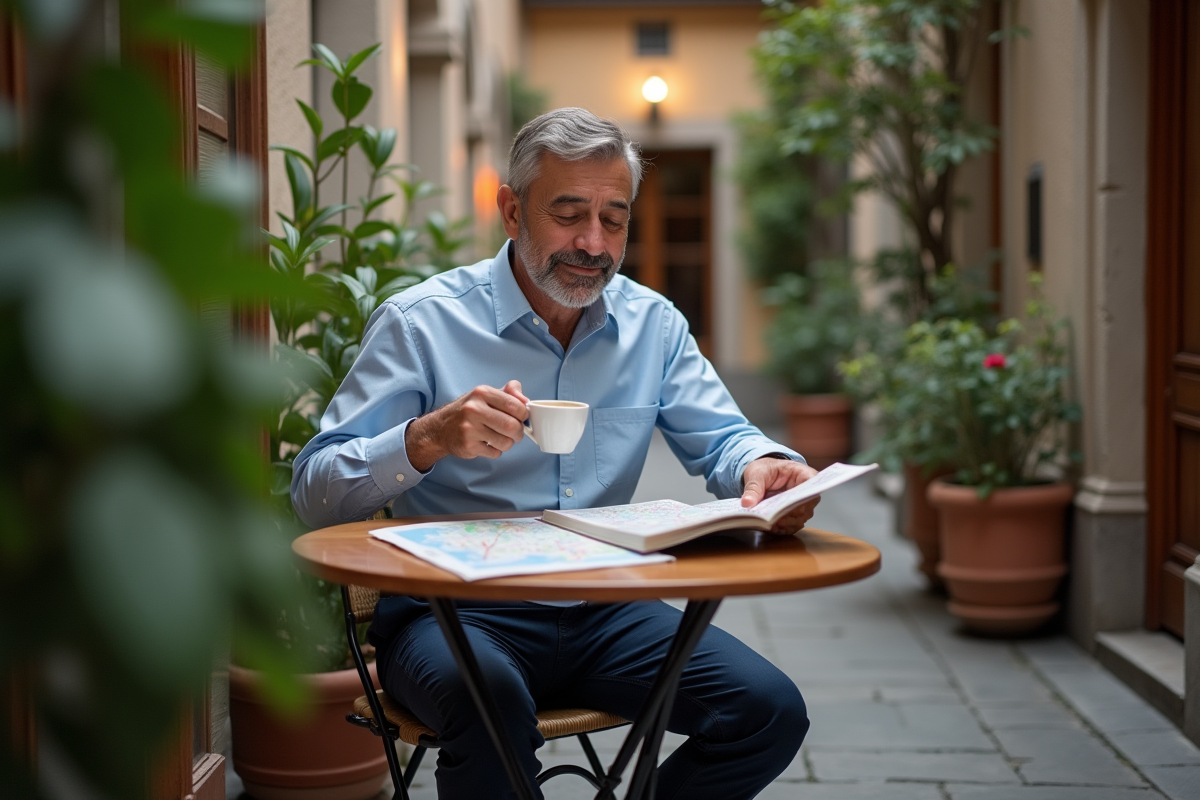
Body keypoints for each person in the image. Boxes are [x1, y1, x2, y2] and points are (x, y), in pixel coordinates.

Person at [292, 107, 819, 800]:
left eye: (614, 218)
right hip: (453, 611)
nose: (593, 242)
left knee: (768, 711)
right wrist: (425, 440)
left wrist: (761, 466)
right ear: (512, 212)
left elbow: (725, 438)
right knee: (488, 704)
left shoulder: (653, 326)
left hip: (607, 608)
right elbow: (313, 491)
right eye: (569, 214)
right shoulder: (422, 322)